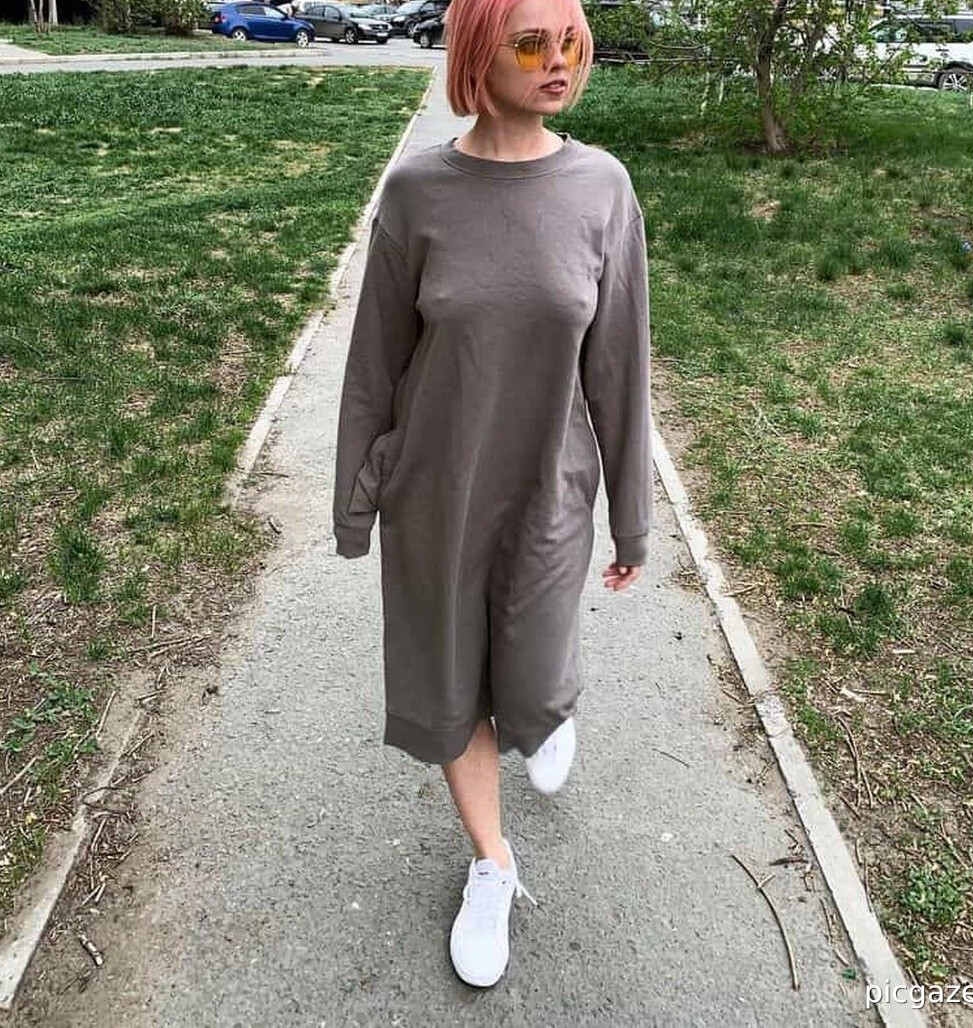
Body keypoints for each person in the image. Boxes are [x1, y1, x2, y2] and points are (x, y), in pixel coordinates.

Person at [333, 0, 651, 989]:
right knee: (450, 682)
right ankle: (491, 862)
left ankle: (545, 706)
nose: (559, 63)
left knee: (533, 666)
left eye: (572, 43)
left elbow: (620, 366)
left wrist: (631, 515)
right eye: (530, 43)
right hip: (435, 494)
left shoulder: (600, 188)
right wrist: (356, 498)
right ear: (479, 53)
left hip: (547, 490)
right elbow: (374, 363)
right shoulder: (417, 192)